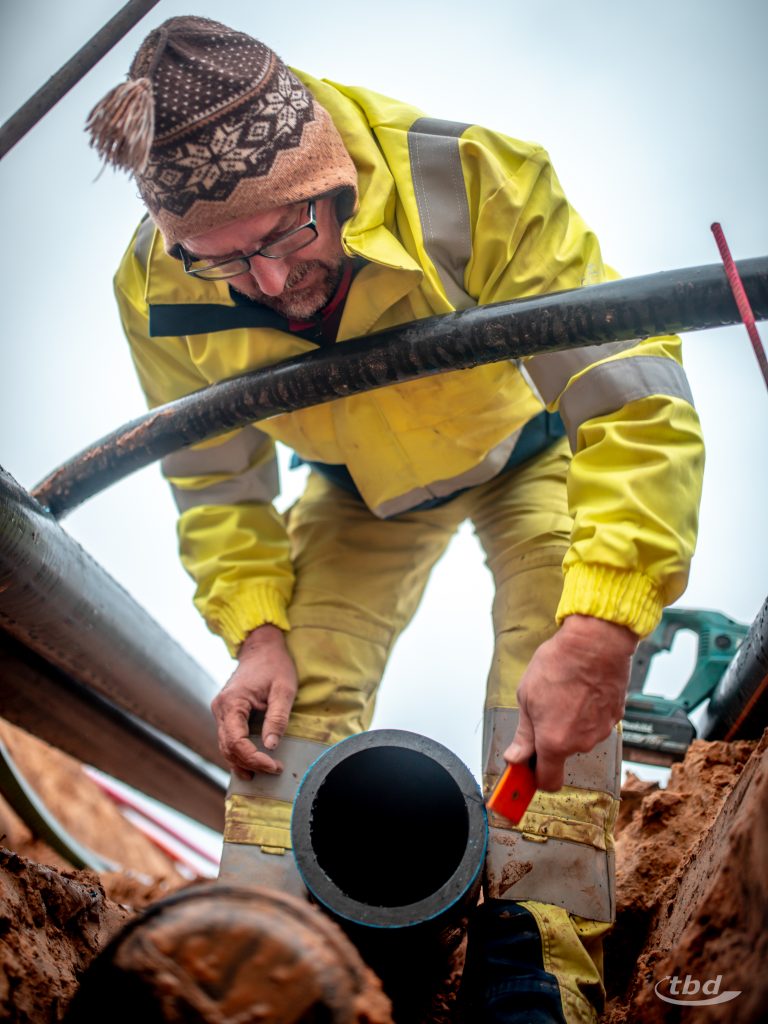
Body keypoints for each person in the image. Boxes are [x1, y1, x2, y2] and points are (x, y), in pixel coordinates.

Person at [90, 16, 704, 1023]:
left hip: (528, 449)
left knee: (548, 687)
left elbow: (629, 389)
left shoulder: (470, 179)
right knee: (287, 715)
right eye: (226, 264)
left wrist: (603, 622)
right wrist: (257, 630)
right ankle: (256, 952)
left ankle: (533, 968)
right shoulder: (156, 291)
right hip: (355, 488)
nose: (276, 287)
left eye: (290, 233)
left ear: (332, 174)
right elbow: (215, 481)